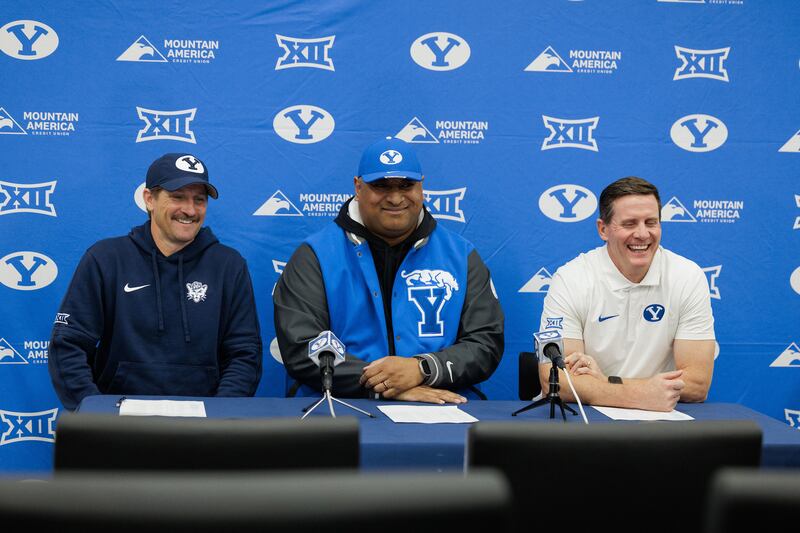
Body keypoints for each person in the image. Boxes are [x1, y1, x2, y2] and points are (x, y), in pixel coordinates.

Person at [274, 137, 503, 404]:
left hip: (443, 402)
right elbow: (303, 348)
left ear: (422, 187)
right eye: (381, 186)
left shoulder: (461, 255)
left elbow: (486, 343)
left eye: (406, 185)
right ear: (358, 188)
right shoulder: (316, 255)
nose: (395, 198)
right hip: (343, 405)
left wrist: (422, 368)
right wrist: (388, 385)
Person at [49, 153, 262, 410]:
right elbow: (68, 345)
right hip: (115, 430)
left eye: (199, 200)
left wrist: (219, 416)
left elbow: (244, 354)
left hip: (203, 432)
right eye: (178, 197)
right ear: (149, 199)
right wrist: (96, 414)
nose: (190, 210)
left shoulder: (229, 265)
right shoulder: (105, 259)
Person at [539, 177, 715, 412]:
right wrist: (639, 395)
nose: (643, 234)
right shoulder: (571, 278)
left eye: (651, 222)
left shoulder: (687, 276)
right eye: (630, 224)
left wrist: (606, 384)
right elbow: (556, 380)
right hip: (584, 418)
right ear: (603, 229)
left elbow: (697, 384)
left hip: (661, 420)